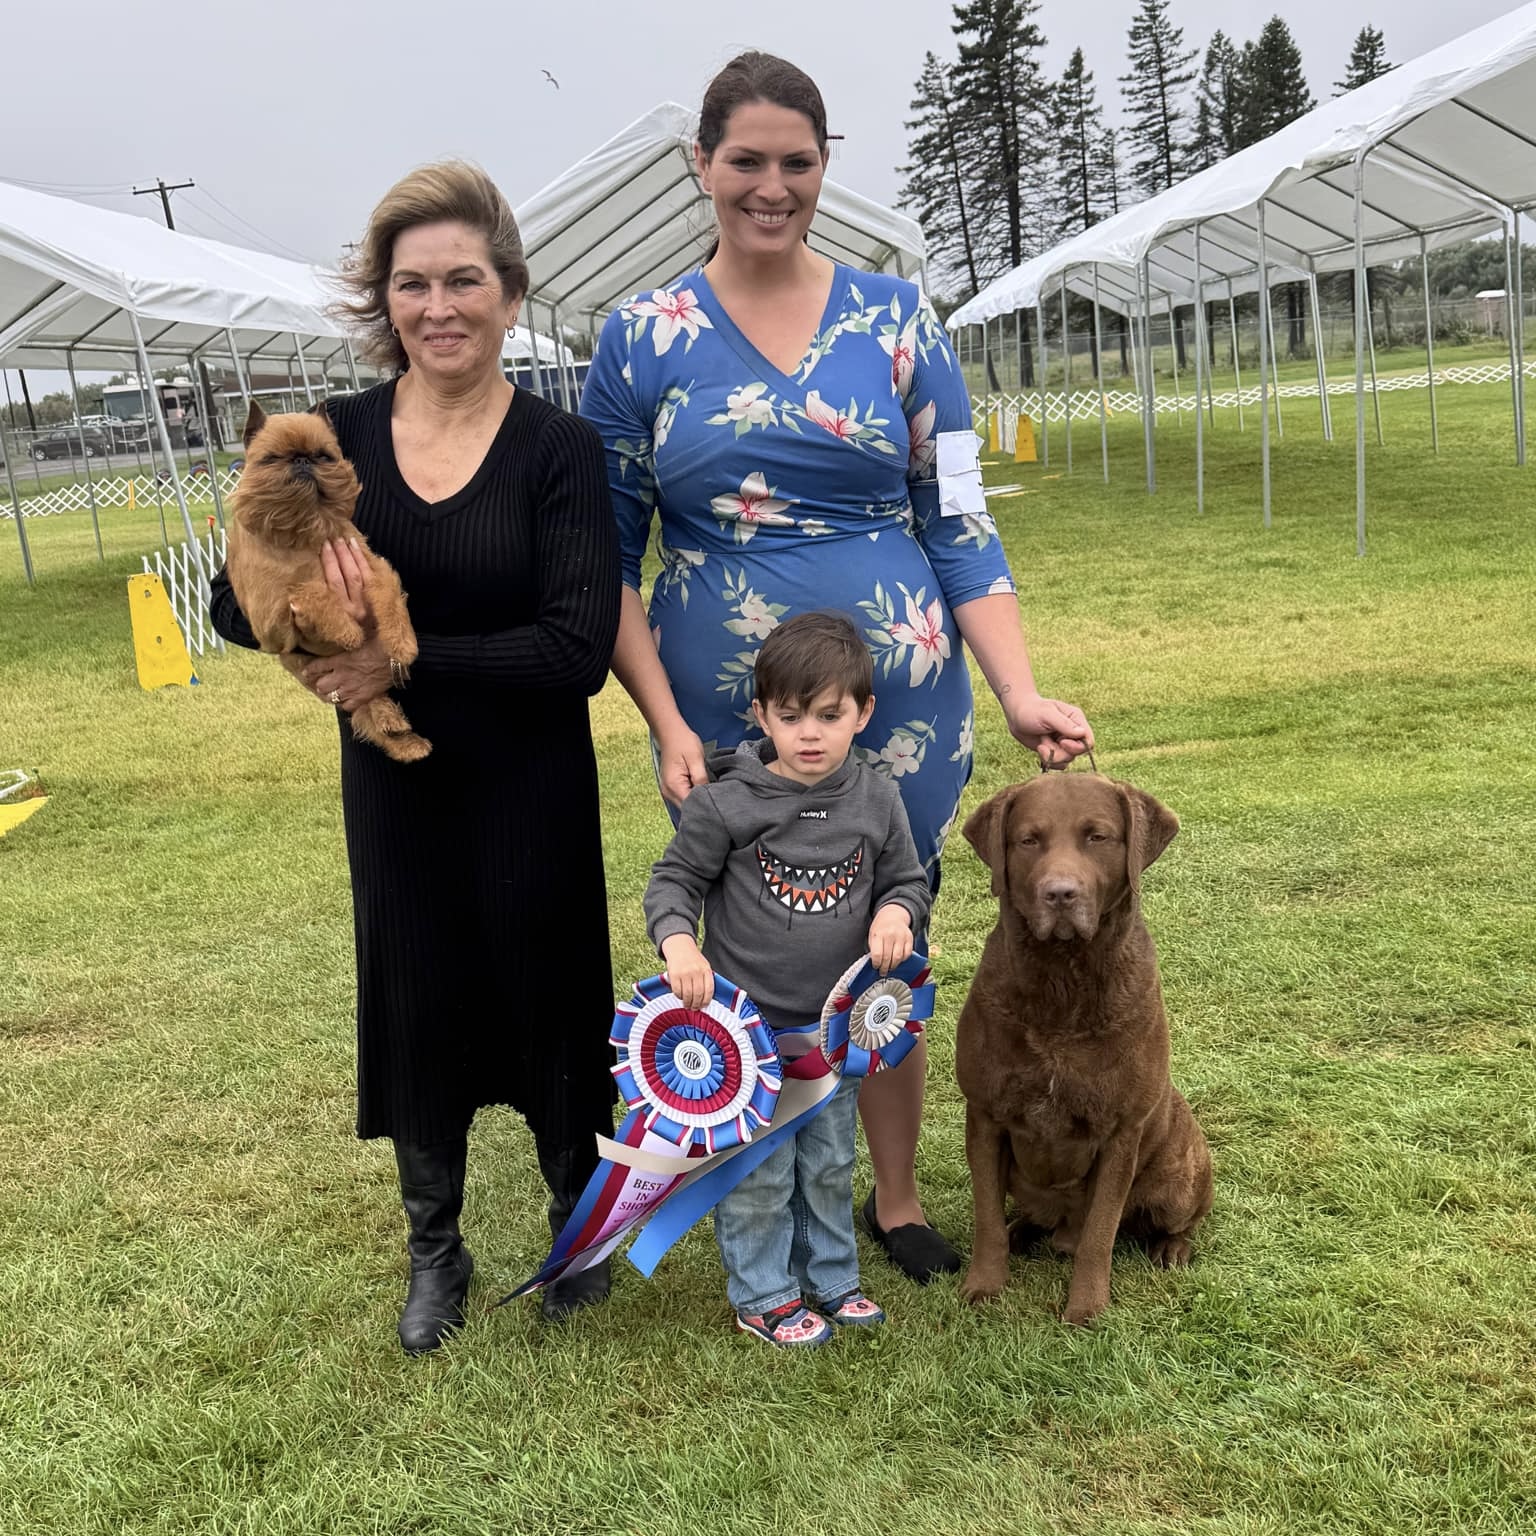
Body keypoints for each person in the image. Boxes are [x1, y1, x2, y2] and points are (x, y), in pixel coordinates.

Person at [582, 52, 1093, 1284]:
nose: (772, 186)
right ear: (701, 165)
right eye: (745, 160)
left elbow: (958, 518)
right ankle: (765, 1197)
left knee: (882, 943)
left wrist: (1020, 689)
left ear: (825, 167)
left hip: (900, 709)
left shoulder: (900, 320)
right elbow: (606, 557)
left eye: (797, 162)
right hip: (722, 718)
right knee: (756, 944)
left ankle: (897, 1200)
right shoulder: (639, 339)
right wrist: (665, 723)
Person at [209, 161, 621, 1351]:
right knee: (418, 999)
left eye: (463, 281)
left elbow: (575, 648)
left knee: (552, 999)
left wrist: (398, 664)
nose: (438, 307)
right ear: (383, 300)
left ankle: (577, 1224)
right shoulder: (329, 439)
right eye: (412, 284)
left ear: (510, 294)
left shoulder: (559, 448)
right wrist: (298, 623)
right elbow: (236, 600)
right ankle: (435, 1250)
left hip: (533, 782)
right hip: (399, 791)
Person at [644, 612, 931, 1346]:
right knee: (761, 1171)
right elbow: (673, 882)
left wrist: (896, 911)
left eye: (830, 716)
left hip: (833, 1033)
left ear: (863, 713)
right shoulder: (724, 802)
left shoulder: (877, 799)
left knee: (831, 1161)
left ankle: (831, 1277)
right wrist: (681, 947)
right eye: (791, 716)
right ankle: (764, 1293)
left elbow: (907, 879)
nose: (809, 734)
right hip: (747, 1039)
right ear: (761, 714)